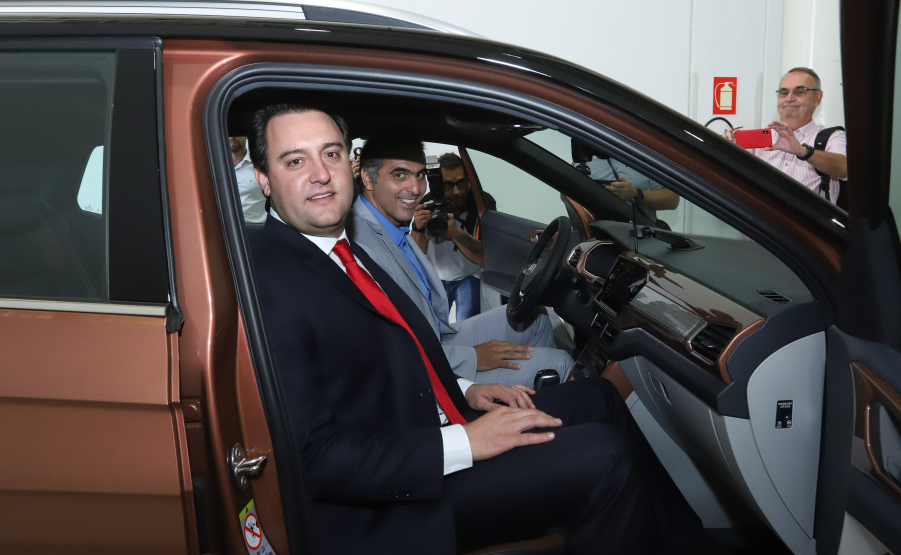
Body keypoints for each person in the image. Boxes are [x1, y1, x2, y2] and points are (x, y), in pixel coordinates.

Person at [248, 103, 703, 555]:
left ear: (349, 165)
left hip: (431, 427)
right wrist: (464, 441)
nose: (321, 174)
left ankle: (683, 542)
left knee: (598, 398)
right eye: (295, 160)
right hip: (398, 500)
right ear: (264, 179)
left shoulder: (343, 250)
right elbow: (314, 459)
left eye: (330, 154)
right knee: (606, 458)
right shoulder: (272, 284)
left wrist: (464, 389)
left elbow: (397, 353)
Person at [348, 137, 575, 388]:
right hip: (427, 362)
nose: (415, 188)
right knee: (561, 362)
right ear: (368, 179)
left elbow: (481, 257)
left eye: (420, 175)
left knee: (538, 317)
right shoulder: (361, 243)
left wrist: (456, 232)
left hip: (439, 333)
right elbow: (398, 348)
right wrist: (474, 356)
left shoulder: (389, 222)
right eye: (400, 175)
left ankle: (532, 399)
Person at [727, 67, 847, 204]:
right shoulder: (759, 140)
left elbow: (844, 168)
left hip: (803, 224)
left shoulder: (832, 137)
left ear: (817, 98)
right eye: (784, 93)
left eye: (799, 92)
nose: (789, 98)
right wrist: (727, 149)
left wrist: (803, 151)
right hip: (757, 222)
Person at [412, 152, 493, 321]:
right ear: (438, 185)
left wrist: (456, 233)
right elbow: (418, 255)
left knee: (468, 327)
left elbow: (484, 258)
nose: (457, 192)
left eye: (461, 183)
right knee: (431, 326)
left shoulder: (481, 203)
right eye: (448, 185)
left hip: (469, 275)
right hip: (437, 276)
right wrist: (417, 228)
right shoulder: (427, 205)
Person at [583, 155, 680, 222]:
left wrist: (635, 194)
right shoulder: (584, 155)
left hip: (640, 234)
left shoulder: (646, 154)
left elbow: (673, 199)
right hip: (595, 232)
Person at [230, 136, 267, 223]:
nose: (232, 137)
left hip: (256, 226)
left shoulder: (260, 161)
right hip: (224, 228)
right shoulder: (213, 163)